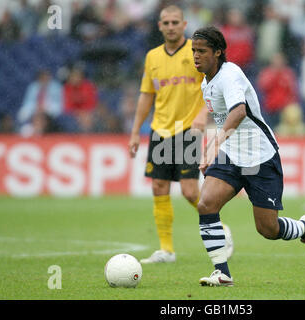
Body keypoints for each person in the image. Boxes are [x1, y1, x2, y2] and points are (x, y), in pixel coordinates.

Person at [191, 26, 305, 287]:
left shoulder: (230, 75)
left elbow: (239, 112)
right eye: (194, 51)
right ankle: (222, 272)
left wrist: (213, 144)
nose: (196, 56)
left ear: (218, 52)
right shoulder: (207, 80)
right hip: (232, 155)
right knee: (206, 204)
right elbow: (222, 115)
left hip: (260, 157)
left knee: (268, 229)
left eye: (202, 51)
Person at [128, 6, 233, 264]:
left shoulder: (196, 53)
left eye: (176, 22)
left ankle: (219, 227)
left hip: (188, 129)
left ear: (184, 24)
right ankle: (166, 250)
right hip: (160, 129)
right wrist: (134, 131)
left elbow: (212, 84)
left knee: (188, 191)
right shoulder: (152, 57)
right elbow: (146, 95)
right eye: (167, 22)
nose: (171, 26)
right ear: (159, 26)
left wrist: (203, 113)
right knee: (158, 187)